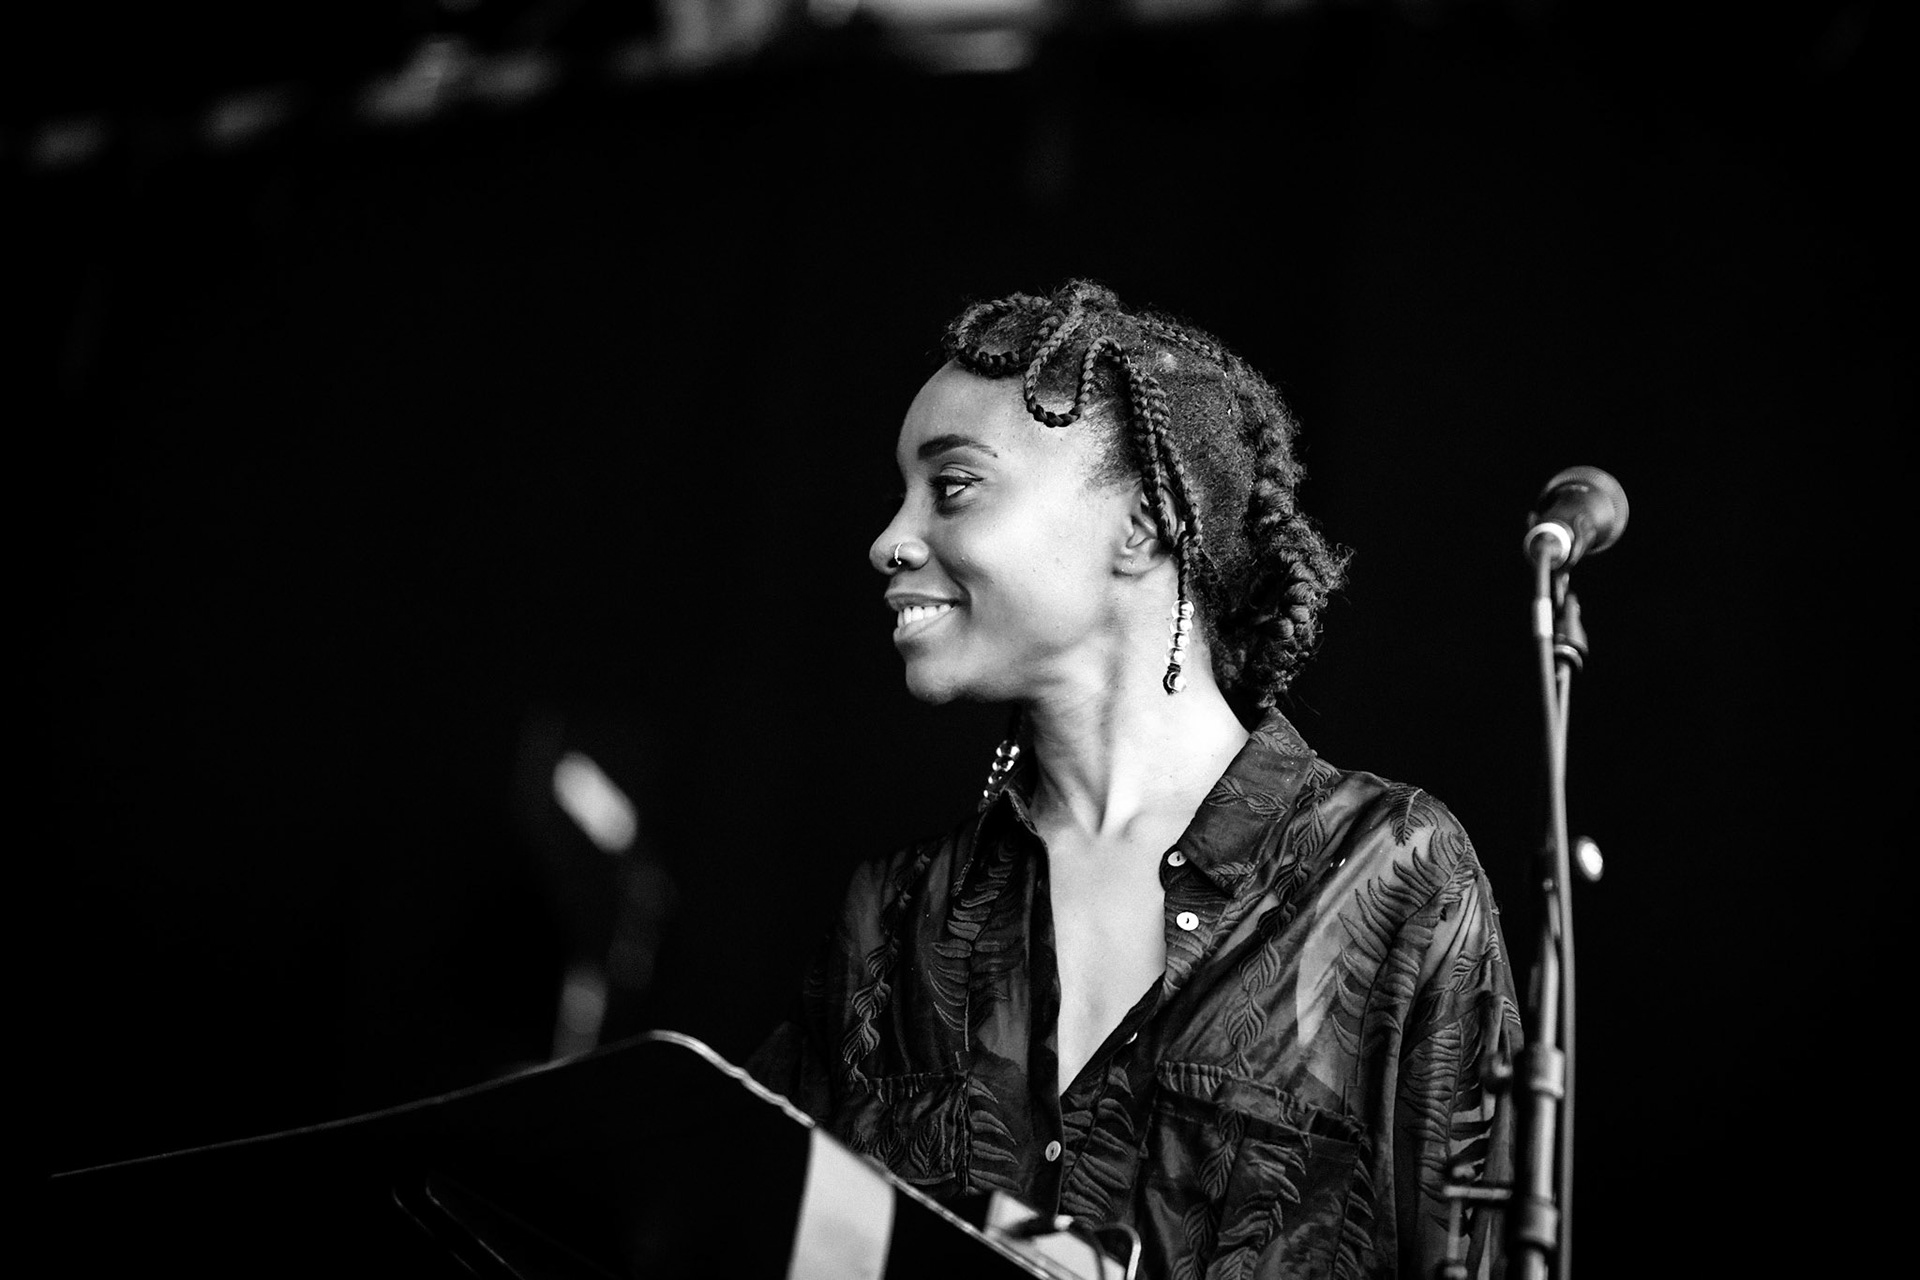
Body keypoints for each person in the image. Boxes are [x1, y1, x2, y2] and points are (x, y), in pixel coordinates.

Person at [749, 280, 1521, 1279]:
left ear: (1146, 525)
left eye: (951, 487)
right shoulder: (893, 922)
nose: (889, 538)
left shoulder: (1389, 873)